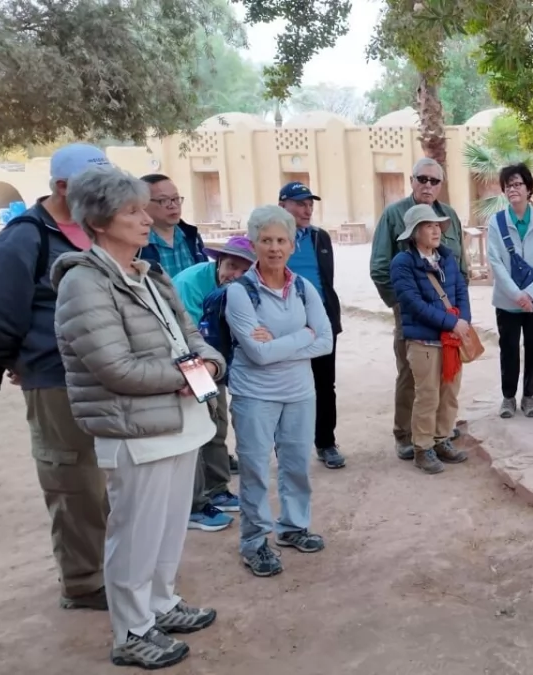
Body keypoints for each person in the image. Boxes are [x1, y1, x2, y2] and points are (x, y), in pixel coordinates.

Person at [51, 165, 224, 669]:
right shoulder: (84, 283)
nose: (144, 218)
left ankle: (161, 603)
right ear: (100, 221)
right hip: (136, 427)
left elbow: (191, 334)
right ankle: (131, 629)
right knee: (134, 532)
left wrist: (207, 361)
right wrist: (187, 372)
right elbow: (114, 367)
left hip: (179, 420)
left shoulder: (148, 275)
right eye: (131, 210)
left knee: (169, 526)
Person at [0, 143, 111, 612]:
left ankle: (112, 567)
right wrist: (16, 362)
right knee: (72, 480)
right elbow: (2, 310)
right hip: (53, 377)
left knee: (107, 480)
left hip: (105, 376)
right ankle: (84, 582)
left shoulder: (95, 229)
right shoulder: (27, 238)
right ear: (62, 188)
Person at [226, 205, 334, 578]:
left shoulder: (303, 287)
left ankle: (293, 527)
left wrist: (283, 342)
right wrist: (302, 335)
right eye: (266, 240)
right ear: (253, 243)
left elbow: (325, 341)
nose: (274, 248)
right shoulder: (240, 293)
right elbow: (256, 354)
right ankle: (255, 542)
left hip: (299, 392)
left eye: (281, 240)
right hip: (254, 394)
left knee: (295, 464)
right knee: (254, 469)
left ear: (292, 245)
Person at [370, 158, 469, 457]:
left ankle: (439, 434)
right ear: (411, 180)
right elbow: (379, 267)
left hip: (448, 313)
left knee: (446, 377)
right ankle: (405, 435)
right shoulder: (394, 214)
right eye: (422, 179)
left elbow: (460, 267)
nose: (428, 185)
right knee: (412, 374)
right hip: (413, 313)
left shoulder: (448, 215)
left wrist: (459, 312)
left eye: (434, 181)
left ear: (441, 185)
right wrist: (403, 305)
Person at [172, 236, 257, 531]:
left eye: (244, 271)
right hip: (188, 362)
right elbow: (187, 338)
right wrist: (205, 372)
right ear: (219, 260)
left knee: (217, 424)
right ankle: (194, 505)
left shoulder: (245, 289)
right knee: (199, 428)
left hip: (214, 362)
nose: (236, 275)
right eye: (232, 266)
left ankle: (218, 489)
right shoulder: (191, 283)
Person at [390, 204, 472, 474]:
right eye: (429, 225)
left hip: (451, 341)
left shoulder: (447, 258)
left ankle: (442, 439)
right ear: (415, 232)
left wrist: (464, 322)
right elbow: (413, 304)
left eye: (437, 225)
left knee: (449, 394)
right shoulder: (402, 264)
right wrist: (452, 323)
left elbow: (461, 291)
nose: (436, 229)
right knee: (427, 396)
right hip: (424, 342)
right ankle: (422, 448)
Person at [278, 182, 346, 469]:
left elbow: (325, 279)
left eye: (310, 204)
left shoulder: (320, 238)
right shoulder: (273, 238)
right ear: (283, 205)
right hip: (285, 323)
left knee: (324, 385)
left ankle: (326, 443)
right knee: (287, 386)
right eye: (299, 203)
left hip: (322, 322)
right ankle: (287, 446)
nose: (307, 209)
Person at [486, 163, 533, 418]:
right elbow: (495, 262)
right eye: (508, 186)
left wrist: (532, 293)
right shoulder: (496, 222)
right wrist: (518, 295)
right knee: (508, 347)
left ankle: (529, 396)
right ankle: (508, 397)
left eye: (518, 184)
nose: (513, 189)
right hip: (507, 300)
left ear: (529, 189)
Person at [138, 174, 207, 278]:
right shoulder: (137, 243)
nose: (173, 205)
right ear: (143, 204)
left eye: (176, 198)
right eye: (163, 200)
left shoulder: (192, 236)